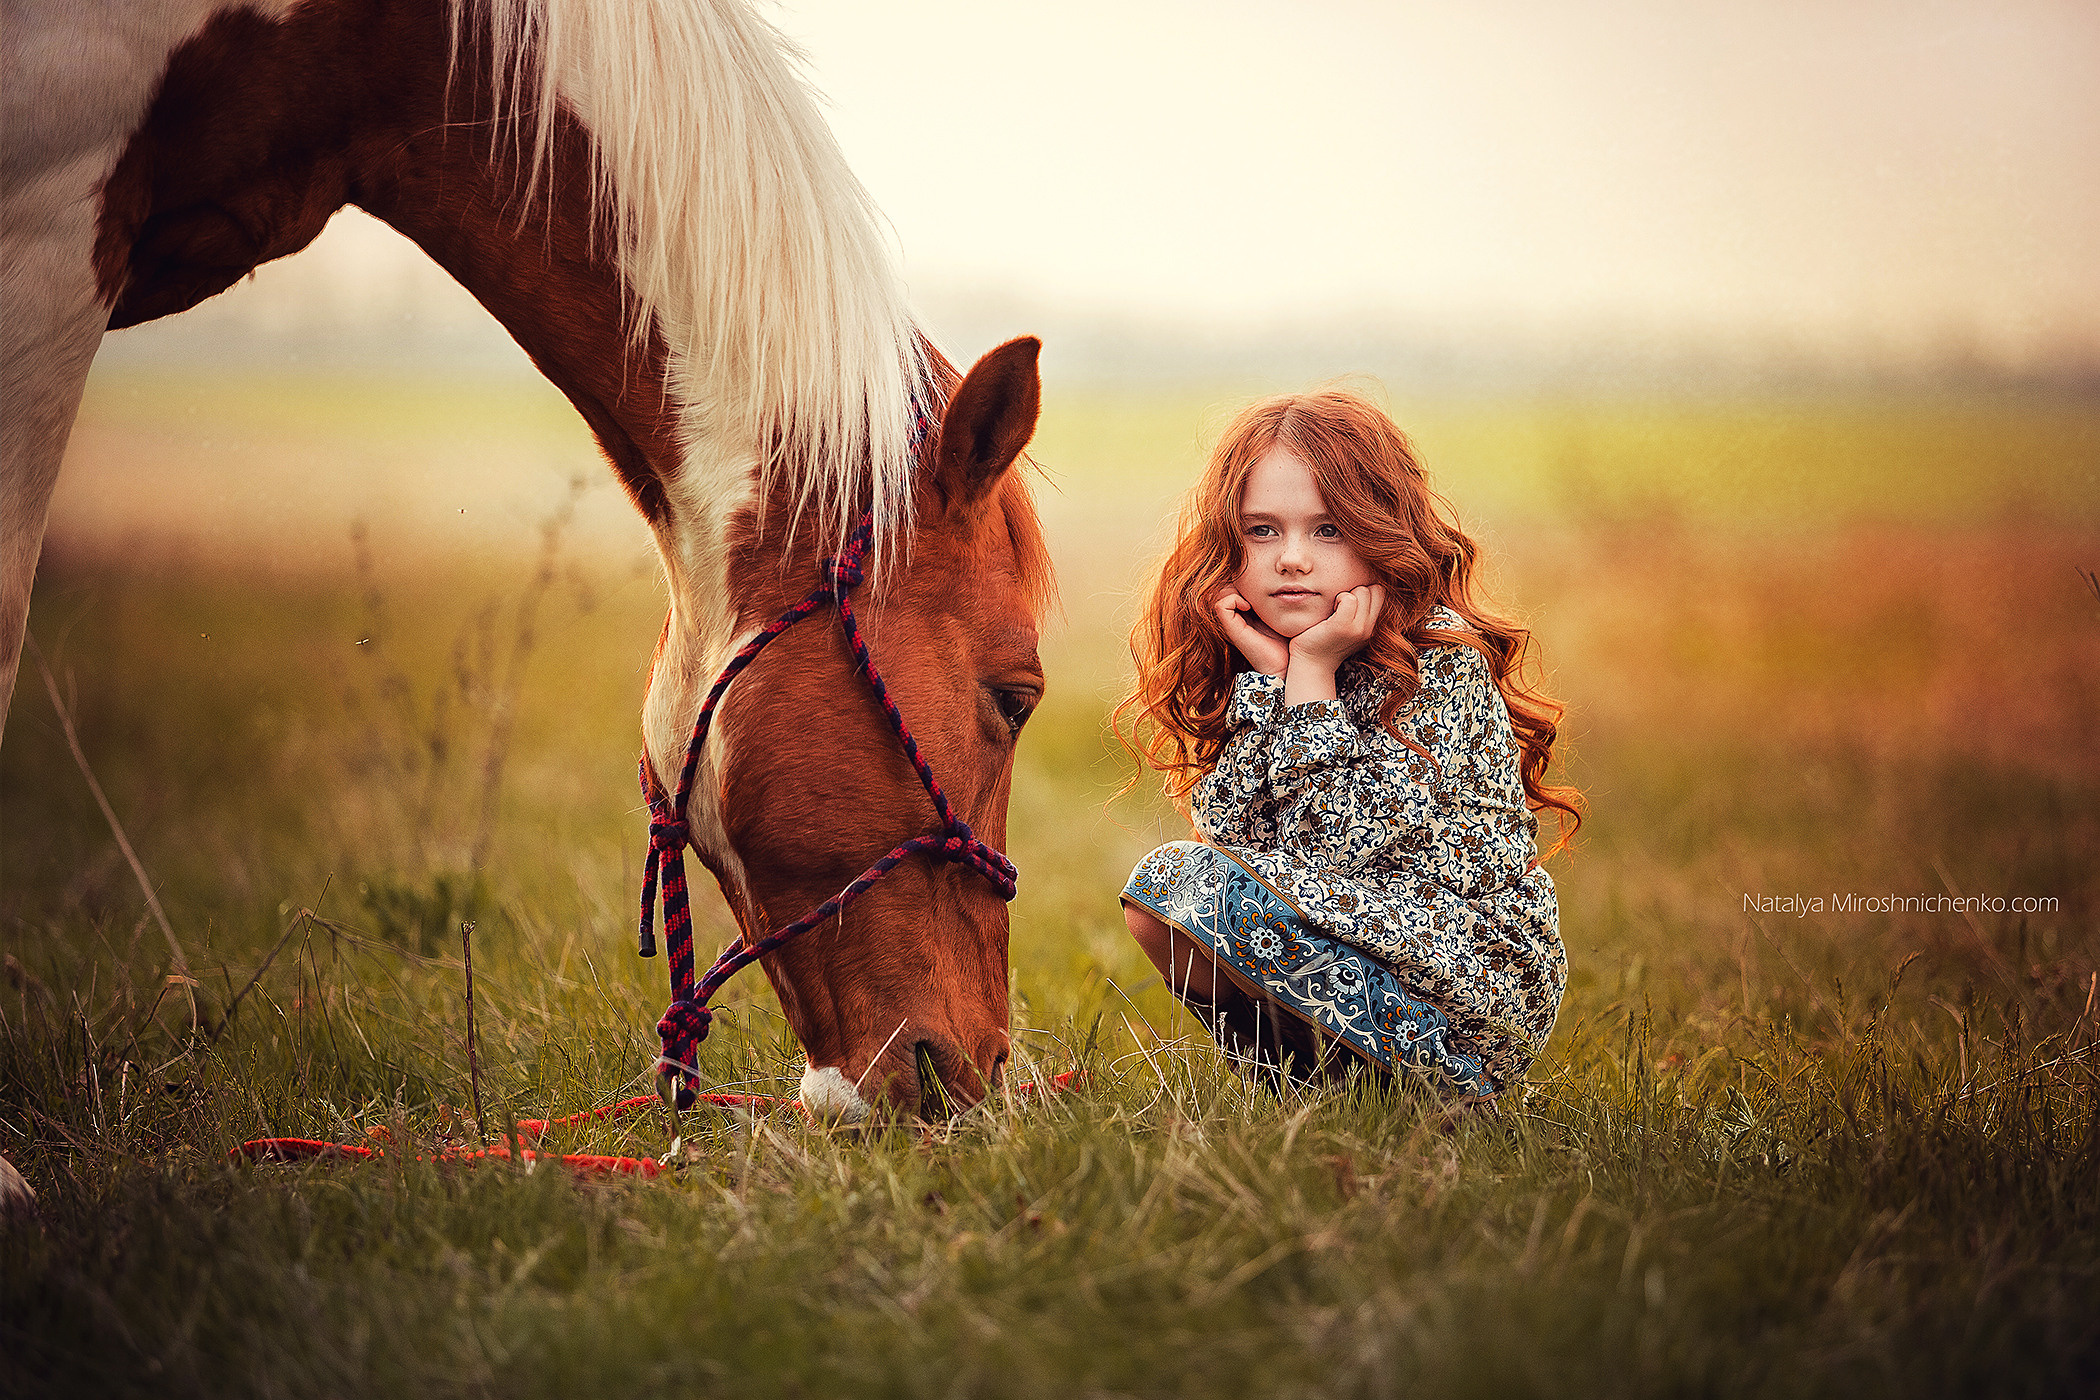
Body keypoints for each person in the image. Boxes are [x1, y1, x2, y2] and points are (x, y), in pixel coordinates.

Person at [1116, 390, 1580, 1099]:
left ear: (1379, 530)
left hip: (1468, 982)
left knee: (1195, 886)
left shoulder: (1437, 659)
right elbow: (1236, 837)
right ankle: (1316, 1093)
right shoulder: (1281, 660)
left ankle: (1448, 1091)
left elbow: (1340, 855)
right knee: (1164, 895)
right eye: (1262, 532)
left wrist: (1308, 679)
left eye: (1327, 530)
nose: (1292, 559)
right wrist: (1279, 678)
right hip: (1371, 947)